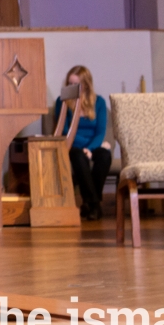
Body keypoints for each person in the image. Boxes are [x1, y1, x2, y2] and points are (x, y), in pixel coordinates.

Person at [55, 65, 111, 221]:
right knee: (78, 157)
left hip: (93, 145)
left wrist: (90, 148)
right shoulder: (63, 101)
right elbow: (66, 131)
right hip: (72, 145)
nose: (72, 87)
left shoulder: (99, 102)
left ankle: (89, 204)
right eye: (69, 84)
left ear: (85, 85)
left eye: (75, 84)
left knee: (104, 156)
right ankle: (95, 205)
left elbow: (100, 132)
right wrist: (84, 147)